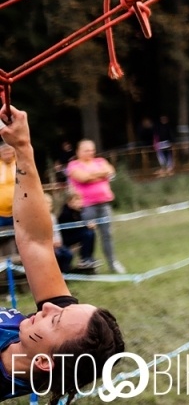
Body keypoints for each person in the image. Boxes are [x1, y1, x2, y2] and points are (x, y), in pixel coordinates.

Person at [0, 107, 125, 402]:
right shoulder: (43, 336)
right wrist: (23, 148)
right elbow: (35, 241)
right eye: (63, 309)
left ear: (44, 363)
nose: (48, 308)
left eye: (56, 320)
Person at [62, 143, 122, 275]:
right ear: (78, 151)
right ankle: (88, 262)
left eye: (92, 150)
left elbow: (111, 172)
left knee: (107, 235)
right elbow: (83, 178)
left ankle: (113, 262)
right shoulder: (73, 165)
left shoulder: (100, 161)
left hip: (104, 203)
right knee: (89, 235)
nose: (90, 152)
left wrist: (92, 175)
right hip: (86, 205)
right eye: (86, 150)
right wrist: (100, 175)